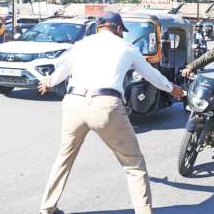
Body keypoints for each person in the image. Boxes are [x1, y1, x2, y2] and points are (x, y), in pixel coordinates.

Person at [37, 12, 184, 214]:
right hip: (105, 105)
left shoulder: (81, 45)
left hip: (73, 103)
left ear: (99, 27)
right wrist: (172, 88)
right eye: (121, 31)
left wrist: (48, 83)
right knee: (134, 165)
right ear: (116, 28)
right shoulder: (127, 48)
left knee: (64, 158)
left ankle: (47, 208)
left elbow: (60, 73)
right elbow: (152, 76)